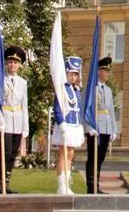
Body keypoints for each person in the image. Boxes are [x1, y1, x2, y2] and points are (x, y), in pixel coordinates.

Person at [0, 47, 29, 193]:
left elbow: (24, 105)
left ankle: (6, 183)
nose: (12, 65)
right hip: (5, 121)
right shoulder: (0, 80)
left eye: (15, 62)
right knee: (5, 153)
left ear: (20, 65)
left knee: (13, 154)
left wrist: (25, 127)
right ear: (7, 63)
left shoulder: (22, 82)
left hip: (18, 122)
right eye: (10, 62)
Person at [49, 55, 84, 195]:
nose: (73, 77)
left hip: (74, 126)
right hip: (65, 125)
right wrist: (61, 123)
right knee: (63, 155)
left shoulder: (76, 90)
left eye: (76, 74)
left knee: (70, 155)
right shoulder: (62, 88)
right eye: (71, 74)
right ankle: (61, 186)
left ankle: (67, 183)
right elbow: (57, 107)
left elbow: (78, 110)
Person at [84, 56, 116, 194]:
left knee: (101, 158)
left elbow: (111, 111)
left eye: (108, 71)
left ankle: (97, 185)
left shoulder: (108, 90)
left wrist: (114, 129)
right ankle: (91, 187)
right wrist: (89, 128)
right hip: (95, 127)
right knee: (93, 158)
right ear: (98, 71)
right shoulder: (92, 88)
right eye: (105, 70)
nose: (108, 73)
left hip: (106, 128)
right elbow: (86, 109)